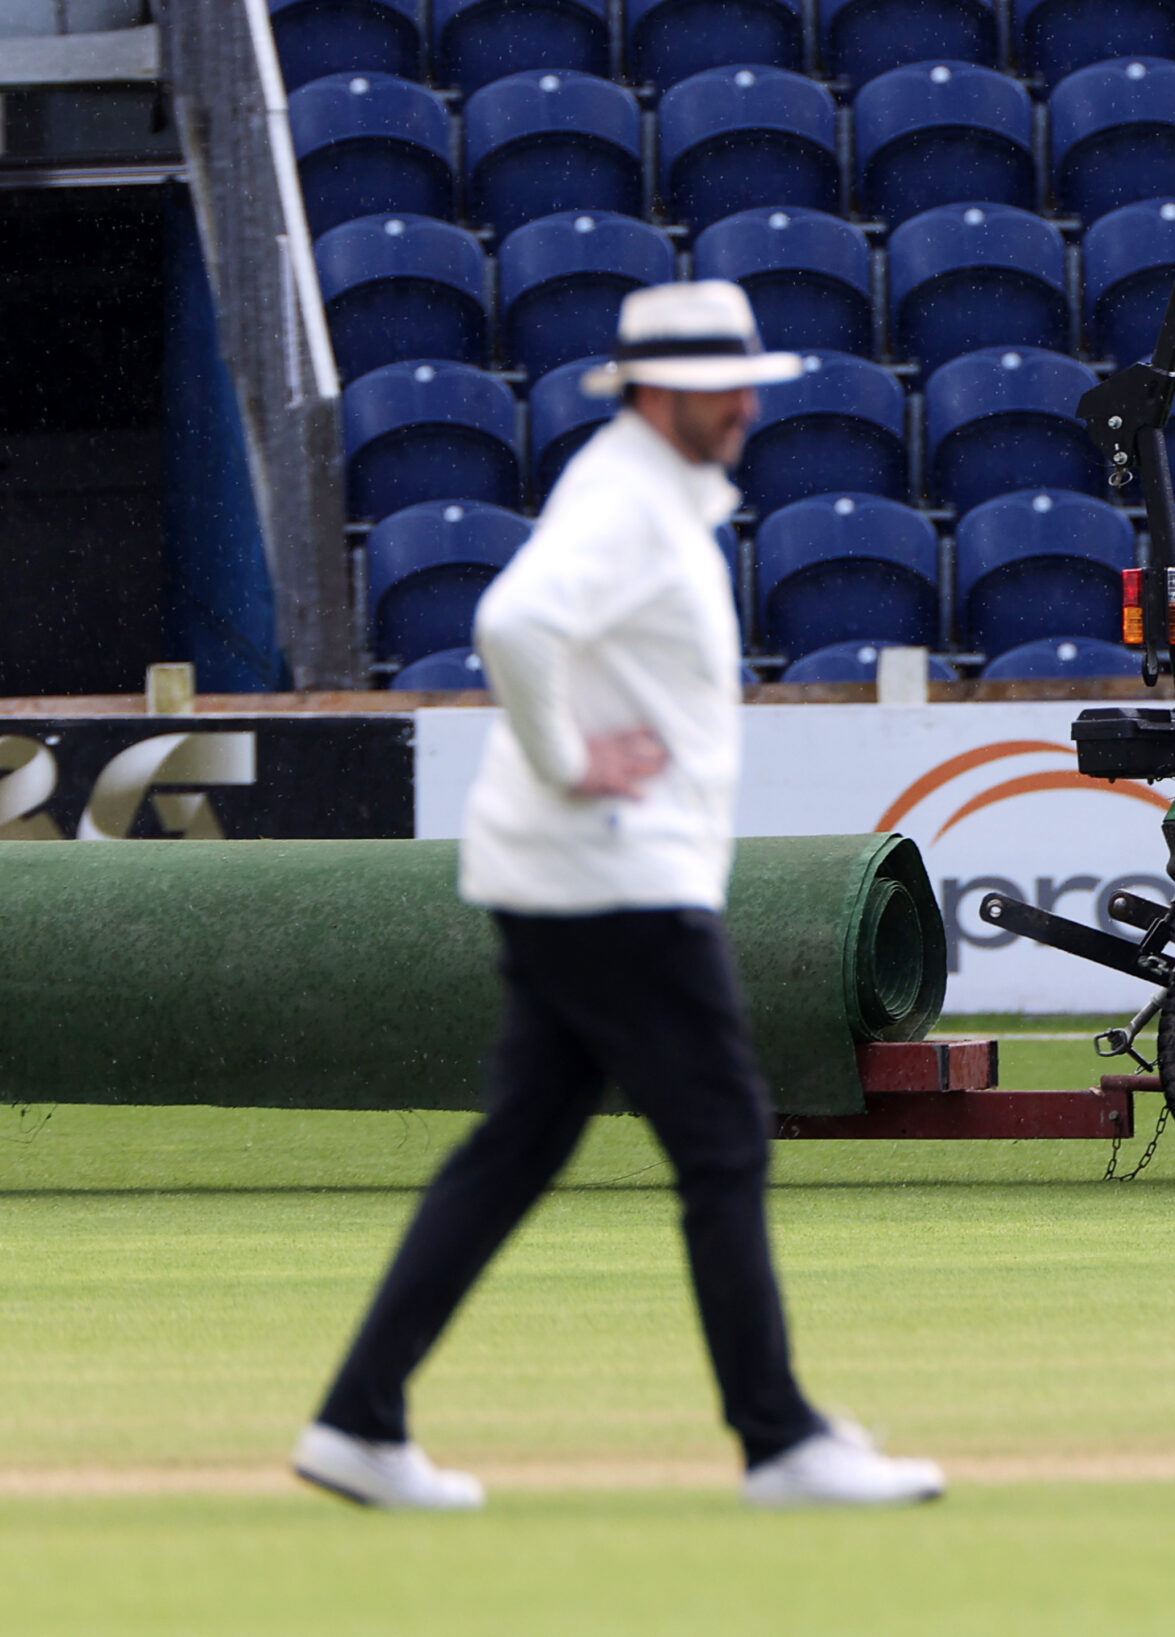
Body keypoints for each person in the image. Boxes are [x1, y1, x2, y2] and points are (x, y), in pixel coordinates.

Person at [292, 282, 944, 1511]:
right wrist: (570, 760)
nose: (749, 404)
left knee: (518, 1147)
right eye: (723, 388)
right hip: (612, 877)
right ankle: (779, 1435)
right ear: (659, 395)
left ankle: (357, 1417)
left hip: (584, 875)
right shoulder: (631, 500)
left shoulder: (644, 491)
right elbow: (515, 622)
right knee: (723, 1139)